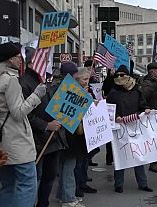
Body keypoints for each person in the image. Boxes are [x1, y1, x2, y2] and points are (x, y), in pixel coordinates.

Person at [0, 42, 46, 207]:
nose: (20, 59)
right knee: (27, 184)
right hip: (18, 140)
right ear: (8, 59)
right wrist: (36, 96)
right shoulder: (11, 80)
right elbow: (18, 112)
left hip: (3, 140)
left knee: (8, 185)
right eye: (16, 56)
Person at [20, 47, 68, 207]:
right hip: (36, 138)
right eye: (44, 61)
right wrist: (46, 125)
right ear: (33, 62)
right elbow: (26, 114)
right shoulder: (24, 83)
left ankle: (43, 204)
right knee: (35, 178)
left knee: (50, 176)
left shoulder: (43, 80)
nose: (47, 64)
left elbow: (51, 104)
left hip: (52, 139)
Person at [106, 65, 153, 193]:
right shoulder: (113, 93)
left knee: (138, 155)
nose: (120, 78)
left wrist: (146, 110)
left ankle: (143, 183)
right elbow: (108, 110)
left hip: (135, 127)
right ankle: (118, 184)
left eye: (123, 75)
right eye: (117, 75)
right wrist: (116, 117)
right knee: (120, 156)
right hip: (120, 128)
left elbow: (142, 105)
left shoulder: (137, 91)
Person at [54, 62, 86, 207]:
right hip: (67, 135)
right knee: (68, 167)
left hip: (61, 134)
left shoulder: (58, 86)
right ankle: (68, 198)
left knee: (64, 166)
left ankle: (63, 194)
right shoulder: (67, 88)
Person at [71, 68, 98, 198]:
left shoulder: (88, 90)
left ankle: (83, 182)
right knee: (78, 162)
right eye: (84, 79)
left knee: (84, 160)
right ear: (77, 79)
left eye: (88, 79)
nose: (87, 82)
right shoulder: (73, 90)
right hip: (77, 132)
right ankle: (76, 186)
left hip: (88, 130)